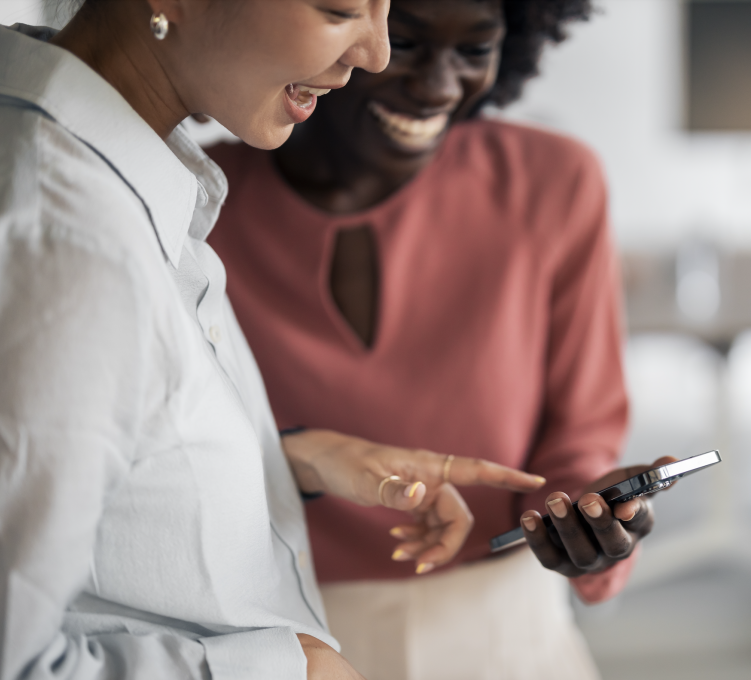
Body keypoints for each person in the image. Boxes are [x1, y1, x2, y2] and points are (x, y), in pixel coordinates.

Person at [0, 1, 547, 678]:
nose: (376, 55)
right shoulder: (68, 241)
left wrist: (284, 458)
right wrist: (282, 673)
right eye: (341, 8)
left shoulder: (118, 182)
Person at [206, 1, 673, 677]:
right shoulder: (198, 200)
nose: (439, 86)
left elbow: (579, 430)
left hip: (502, 625)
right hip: (283, 634)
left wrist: (583, 522)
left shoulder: (554, 182)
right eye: (408, 44)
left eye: (474, 50)